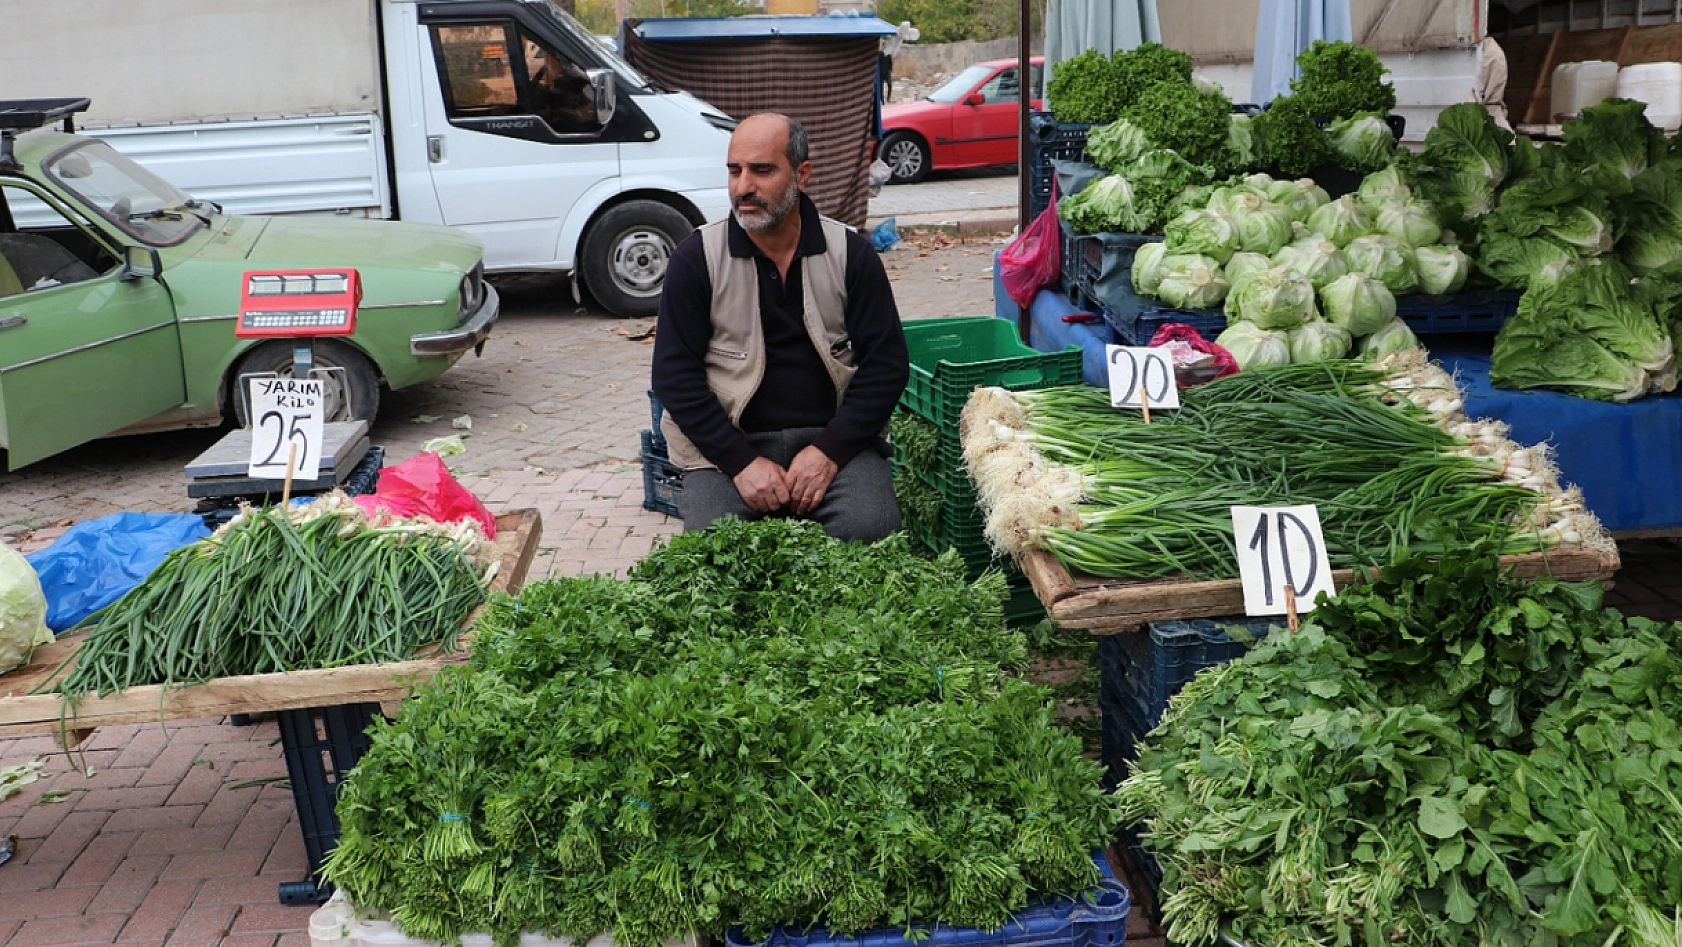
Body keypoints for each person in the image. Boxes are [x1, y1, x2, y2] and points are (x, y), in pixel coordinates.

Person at [652, 113, 910, 543]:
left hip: (833, 440)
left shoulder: (851, 254)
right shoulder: (696, 258)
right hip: (728, 445)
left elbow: (886, 366)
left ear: (801, 174)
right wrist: (741, 463)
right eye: (735, 171)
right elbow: (674, 378)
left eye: (762, 170)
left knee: (871, 533)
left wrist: (829, 452)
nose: (743, 187)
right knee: (716, 552)